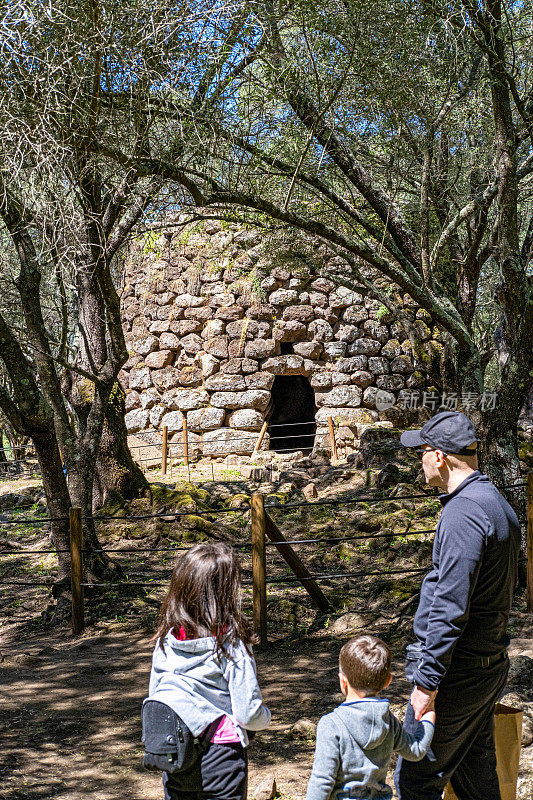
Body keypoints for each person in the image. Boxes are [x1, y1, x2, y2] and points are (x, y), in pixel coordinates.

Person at [395, 410, 520, 800]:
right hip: (485, 667)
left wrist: (426, 683)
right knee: (476, 780)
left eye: (422, 451)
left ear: (439, 457)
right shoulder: (494, 502)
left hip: (457, 676)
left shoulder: (464, 514)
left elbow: (451, 606)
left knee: (415, 780)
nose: (419, 460)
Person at [148, 542, 271, 800]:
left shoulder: (165, 641)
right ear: (226, 593)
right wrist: (265, 717)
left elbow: (157, 697)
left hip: (175, 754)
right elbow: (248, 712)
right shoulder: (230, 644)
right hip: (221, 757)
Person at [306, 635, 435, 800]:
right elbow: (416, 751)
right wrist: (429, 712)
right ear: (388, 681)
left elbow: (322, 781)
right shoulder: (388, 721)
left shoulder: (331, 724)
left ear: (342, 681)